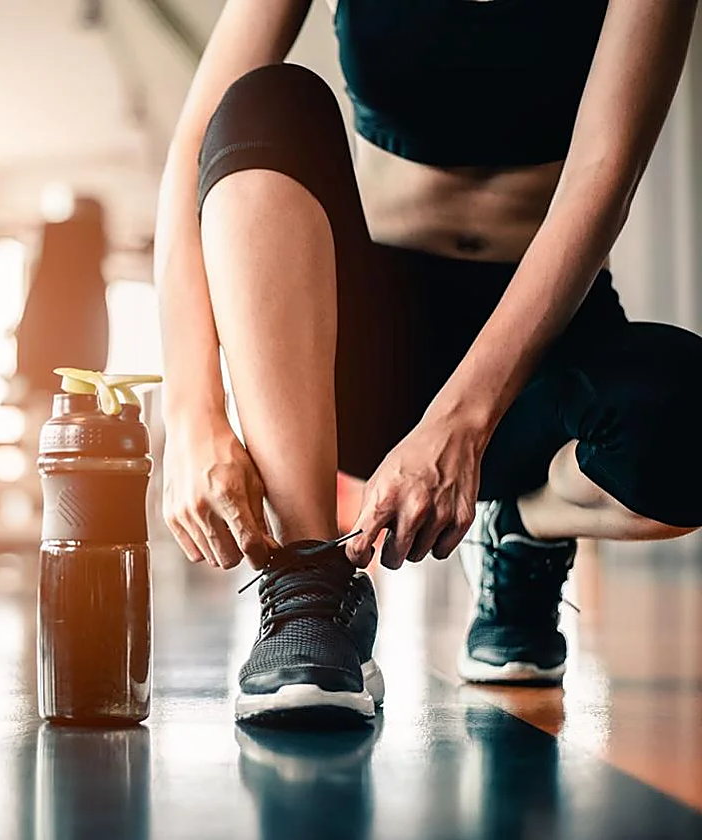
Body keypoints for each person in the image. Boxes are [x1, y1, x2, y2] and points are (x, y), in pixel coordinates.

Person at [154, 0, 701, 723]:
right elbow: (198, 142)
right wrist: (192, 411)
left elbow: (607, 168)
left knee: (686, 421)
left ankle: (524, 530)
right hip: (369, 355)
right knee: (264, 101)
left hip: (538, 362)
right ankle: (312, 588)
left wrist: (462, 424)